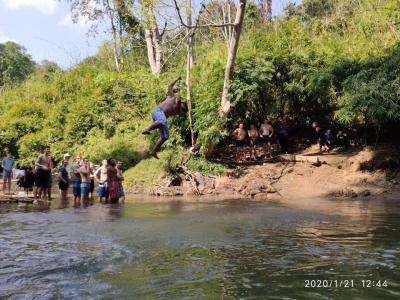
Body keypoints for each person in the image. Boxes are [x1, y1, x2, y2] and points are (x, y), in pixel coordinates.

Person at [142, 76, 188, 159]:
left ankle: (153, 151)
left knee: (165, 136)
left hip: (161, 118)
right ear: (182, 105)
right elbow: (170, 86)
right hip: (158, 112)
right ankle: (147, 129)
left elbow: (178, 102)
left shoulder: (178, 109)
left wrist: (179, 95)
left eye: (183, 110)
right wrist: (176, 79)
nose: (181, 111)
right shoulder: (170, 97)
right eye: (183, 109)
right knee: (162, 120)